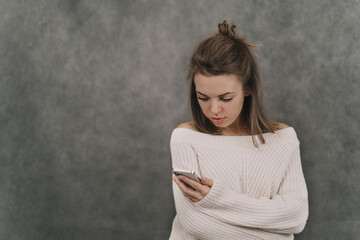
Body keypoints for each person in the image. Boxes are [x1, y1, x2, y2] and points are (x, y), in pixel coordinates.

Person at [169, 20, 309, 240]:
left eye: (226, 98)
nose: (213, 110)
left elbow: (296, 217)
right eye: (202, 98)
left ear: (247, 89)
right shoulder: (185, 138)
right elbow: (194, 223)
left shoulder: (283, 139)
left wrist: (216, 198)